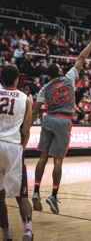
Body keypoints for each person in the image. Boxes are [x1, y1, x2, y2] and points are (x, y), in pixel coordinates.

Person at [31, 28, 91, 215]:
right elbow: (81, 57)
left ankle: (36, 191)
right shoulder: (69, 78)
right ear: (60, 71)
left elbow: (36, 109)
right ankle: (53, 194)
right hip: (63, 122)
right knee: (58, 162)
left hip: (48, 120)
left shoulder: (44, 88)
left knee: (42, 158)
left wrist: (26, 127)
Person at [0, 65, 33, 241]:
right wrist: (22, 148)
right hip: (13, 146)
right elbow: (26, 131)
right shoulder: (26, 99)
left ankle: (6, 234)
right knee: (22, 195)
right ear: (17, 79)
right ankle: (27, 229)